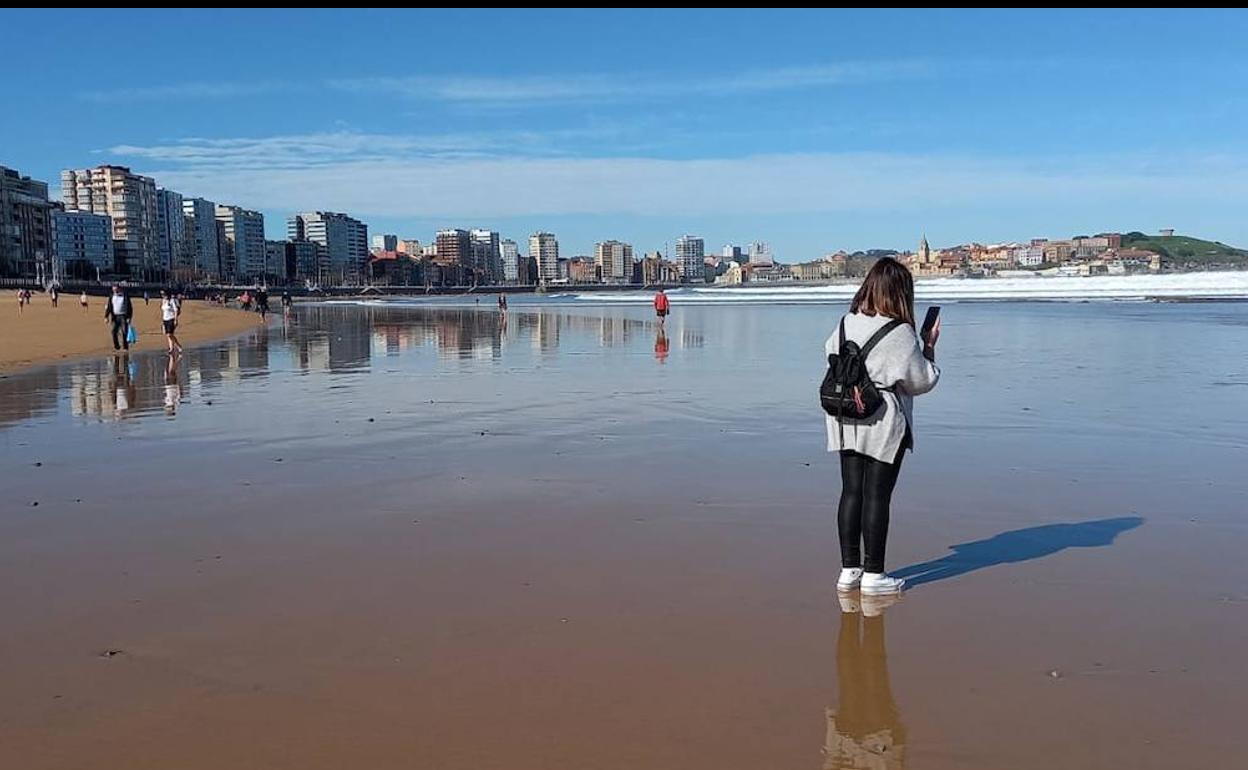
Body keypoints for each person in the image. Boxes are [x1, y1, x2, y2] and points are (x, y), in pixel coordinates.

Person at [826, 257, 940, 596]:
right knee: (877, 496)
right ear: (900, 293)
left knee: (851, 492)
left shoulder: (846, 322)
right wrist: (929, 345)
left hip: (844, 415)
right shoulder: (901, 332)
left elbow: (830, 356)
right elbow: (921, 381)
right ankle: (874, 574)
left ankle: (849, 570)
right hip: (883, 420)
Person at [104, 284, 134, 352]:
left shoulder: (125, 296)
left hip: (123, 316)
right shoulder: (112, 296)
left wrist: (129, 317)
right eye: (113, 289)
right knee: (113, 332)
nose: (114, 290)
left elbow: (130, 308)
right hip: (115, 316)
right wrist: (106, 316)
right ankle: (116, 346)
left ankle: (125, 347)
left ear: (119, 288)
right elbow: (109, 307)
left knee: (124, 332)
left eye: (115, 289)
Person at [160, 289, 183, 354]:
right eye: (162, 294)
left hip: (171, 318)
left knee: (169, 334)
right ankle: (171, 348)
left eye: (163, 294)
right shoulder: (163, 301)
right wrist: (162, 322)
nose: (163, 296)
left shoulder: (172, 300)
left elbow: (175, 310)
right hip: (165, 319)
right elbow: (163, 311)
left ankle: (178, 346)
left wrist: (176, 319)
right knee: (168, 335)